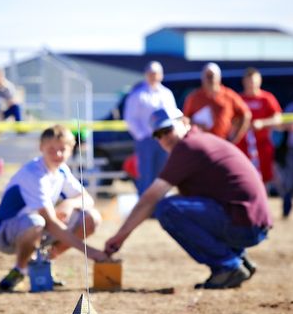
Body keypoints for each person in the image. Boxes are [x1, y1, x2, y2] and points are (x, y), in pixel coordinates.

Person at [104, 107, 272, 290]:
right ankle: (238, 260)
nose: (164, 138)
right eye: (158, 135)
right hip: (251, 221)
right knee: (180, 205)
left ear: (184, 122)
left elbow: (150, 199)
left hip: (245, 223)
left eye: (167, 130)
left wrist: (120, 236)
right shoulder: (199, 140)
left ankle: (228, 266)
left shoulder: (187, 147)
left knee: (167, 209)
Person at [0, 124, 108, 291]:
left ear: (71, 149)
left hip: (38, 228)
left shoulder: (61, 170)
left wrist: (69, 203)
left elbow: (86, 199)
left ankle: (45, 261)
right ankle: (20, 270)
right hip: (4, 233)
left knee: (91, 218)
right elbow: (50, 222)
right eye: (51, 149)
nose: (57, 154)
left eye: (62, 149)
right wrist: (91, 252)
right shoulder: (34, 173)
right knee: (36, 221)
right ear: (41, 148)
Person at [123, 61, 178, 195]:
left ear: (161, 75)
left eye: (156, 73)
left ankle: (160, 205)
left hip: (165, 139)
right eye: (151, 73)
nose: (154, 76)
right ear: (146, 74)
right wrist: (142, 136)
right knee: (146, 174)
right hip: (146, 140)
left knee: (163, 174)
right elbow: (130, 118)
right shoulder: (138, 95)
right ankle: (145, 207)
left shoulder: (166, 94)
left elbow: (173, 114)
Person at [183, 62, 251, 144]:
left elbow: (246, 114)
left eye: (212, 76)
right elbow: (185, 119)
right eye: (207, 76)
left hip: (223, 142)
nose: (210, 79)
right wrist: (195, 124)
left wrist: (235, 138)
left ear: (219, 78)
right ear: (202, 78)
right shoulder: (194, 97)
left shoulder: (229, 95)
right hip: (201, 143)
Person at [237, 67, 282, 184]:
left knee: (265, 177)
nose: (252, 85)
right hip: (242, 145)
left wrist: (262, 123)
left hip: (262, 145)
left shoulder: (267, 98)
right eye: (249, 81)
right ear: (244, 82)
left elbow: (278, 118)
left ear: (259, 81)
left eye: (254, 81)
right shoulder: (238, 99)